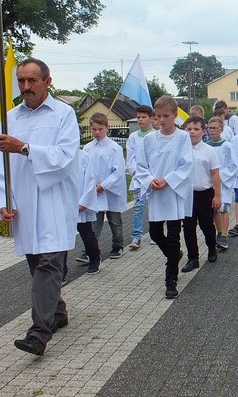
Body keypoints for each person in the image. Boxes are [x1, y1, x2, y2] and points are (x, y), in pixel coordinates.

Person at [0, 58, 79, 356]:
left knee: (49, 264)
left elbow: (65, 157)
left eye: (32, 81)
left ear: (48, 81)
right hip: (26, 203)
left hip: (54, 201)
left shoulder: (64, 114)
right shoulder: (11, 118)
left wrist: (25, 149)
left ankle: (38, 334)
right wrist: (2, 202)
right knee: (36, 263)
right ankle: (58, 312)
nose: (25, 87)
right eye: (21, 81)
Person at [136, 95, 194, 299]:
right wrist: (150, 179)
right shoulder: (150, 139)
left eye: (165, 116)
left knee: (173, 236)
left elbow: (186, 164)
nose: (161, 120)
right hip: (156, 192)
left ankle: (171, 281)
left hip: (173, 192)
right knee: (154, 233)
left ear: (175, 115)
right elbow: (141, 165)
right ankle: (174, 255)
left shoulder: (183, 138)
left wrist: (168, 180)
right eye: (158, 116)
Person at [83, 112, 128, 260]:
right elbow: (83, 169)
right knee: (94, 221)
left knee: (115, 220)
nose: (97, 132)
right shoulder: (87, 148)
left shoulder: (114, 148)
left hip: (110, 191)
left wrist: (104, 185)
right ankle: (91, 249)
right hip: (94, 191)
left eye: (100, 129)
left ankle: (117, 245)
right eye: (94, 129)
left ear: (107, 128)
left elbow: (119, 171)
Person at [181, 116, 220, 272]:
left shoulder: (209, 151)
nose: (192, 132)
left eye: (196, 129)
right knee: (188, 227)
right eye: (189, 129)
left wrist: (217, 196)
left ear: (203, 132)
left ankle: (211, 248)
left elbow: (215, 174)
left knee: (207, 225)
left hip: (204, 193)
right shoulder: (181, 149)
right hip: (187, 194)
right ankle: (193, 258)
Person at [126, 104, 154, 250]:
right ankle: (136, 236)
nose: (140, 120)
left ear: (150, 118)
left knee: (154, 206)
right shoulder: (133, 137)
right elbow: (130, 159)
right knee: (138, 206)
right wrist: (137, 173)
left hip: (154, 178)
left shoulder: (156, 135)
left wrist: (152, 175)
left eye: (144, 117)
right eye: (138, 117)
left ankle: (155, 233)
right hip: (139, 178)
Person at [207, 117, 237, 250]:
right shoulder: (206, 146)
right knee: (214, 210)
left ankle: (224, 236)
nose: (212, 130)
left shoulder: (227, 146)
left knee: (223, 209)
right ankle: (219, 232)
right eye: (210, 128)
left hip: (224, 183)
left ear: (221, 129)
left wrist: (220, 175)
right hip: (210, 182)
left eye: (215, 128)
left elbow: (234, 165)